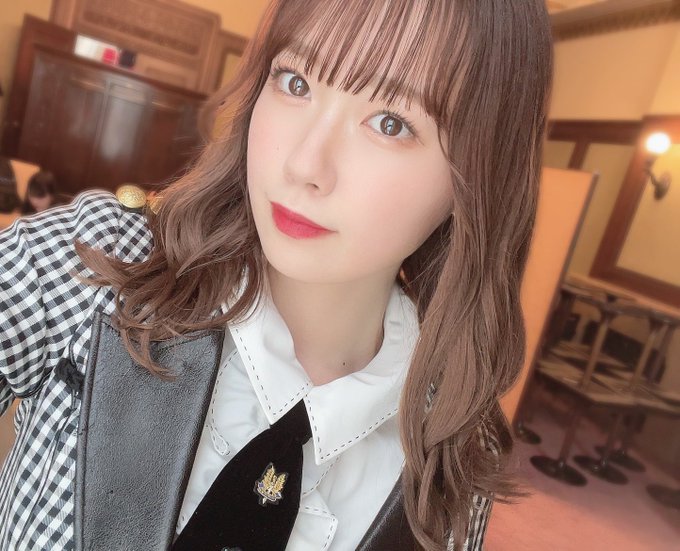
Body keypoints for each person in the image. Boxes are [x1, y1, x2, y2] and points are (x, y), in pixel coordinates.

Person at [0, 0, 553, 549]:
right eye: (295, 82)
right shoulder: (104, 263)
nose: (304, 164)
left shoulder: (454, 451)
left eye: (391, 123)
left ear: (478, 176)